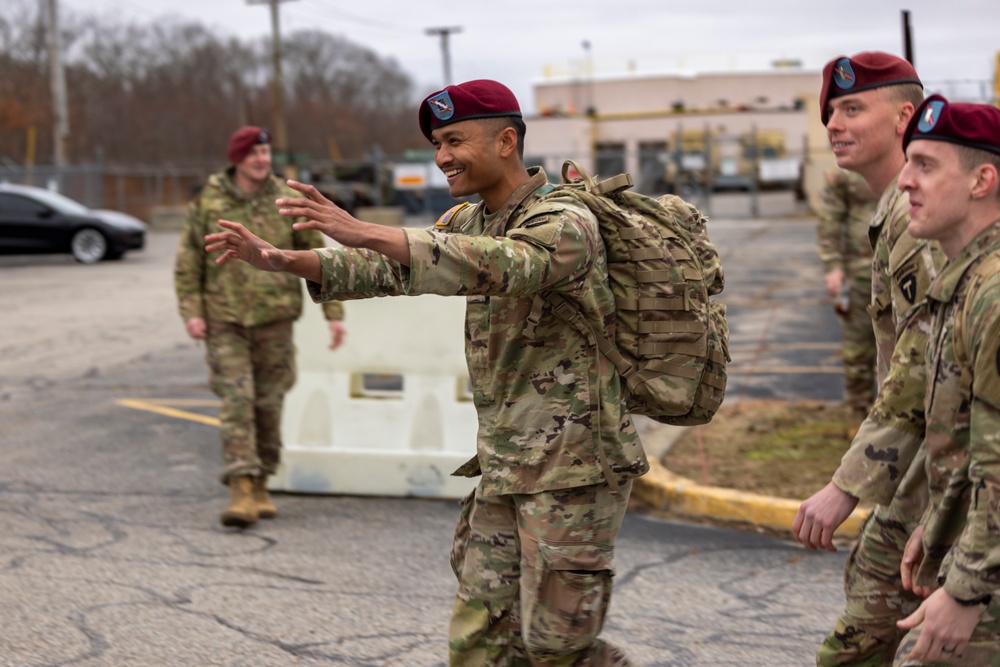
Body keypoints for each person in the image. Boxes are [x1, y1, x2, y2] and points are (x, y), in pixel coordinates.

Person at [203, 80, 648, 666]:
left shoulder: (563, 219)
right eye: (438, 143)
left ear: (507, 140)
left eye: (455, 140)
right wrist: (287, 260)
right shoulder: (473, 220)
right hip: (505, 462)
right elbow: (389, 266)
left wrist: (366, 228)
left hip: (575, 467)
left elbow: (503, 266)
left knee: (555, 647)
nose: (441, 158)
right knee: (478, 636)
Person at [790, 52, 946, 665]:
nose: (834, 123)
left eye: (853, 108)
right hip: (926, 466)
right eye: (831, 112)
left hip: (945, 470)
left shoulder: (916, 219)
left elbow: (926, 364)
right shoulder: (896, 210)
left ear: (907, 115)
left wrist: (846, 485)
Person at [174, 126, 346, 528]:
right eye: (254, 153)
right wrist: (192, 311)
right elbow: (188, 261)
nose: (262, 159)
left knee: (269, 403)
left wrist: (333, 316)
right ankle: (241, 486)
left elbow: (318, 257)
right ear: (237, 158)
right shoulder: (208, 201)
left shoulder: (286, 201)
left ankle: (262, 481)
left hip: (275, 318)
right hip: (224, 319)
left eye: (266, 151)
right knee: (237, 400)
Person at [892, 95, 1000, 665]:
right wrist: (940, 528)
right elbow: (971, 440)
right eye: (908, 162)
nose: (905, 180)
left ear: (983, 179)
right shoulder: (967, 281)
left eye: (926, 165)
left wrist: (966, 588)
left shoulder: (994, 294)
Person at [816, 167, 879, 431]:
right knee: (857, 349)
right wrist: (833, 267)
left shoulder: (914, 155)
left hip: (905, 272)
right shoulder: (845, 172)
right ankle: (859, 414)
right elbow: (830, 219)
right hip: (858, 276)